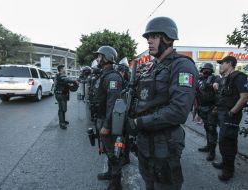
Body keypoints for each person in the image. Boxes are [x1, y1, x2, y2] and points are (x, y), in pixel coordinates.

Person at [128, 17, 199, 190]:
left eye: (154, 36)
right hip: (145, 142)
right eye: (147, 38)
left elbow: (179, 111)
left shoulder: (182, 66)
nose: (149, 41)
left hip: (165, 145)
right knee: (149, 184)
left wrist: (139, 122)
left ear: (167, 38)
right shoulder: (151, 67)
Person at [212, 56, 248, 181]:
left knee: (228, 142)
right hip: (223, 114)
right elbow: (224, 96)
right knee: (223, 141)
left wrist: (232, 112)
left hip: (230, 116)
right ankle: (225, 163)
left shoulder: (239, 77)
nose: (220, 65)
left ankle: (228, 170)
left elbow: (244, 97)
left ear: (230, 64)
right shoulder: (226, 79)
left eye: (222, 63)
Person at [93, 46, 124, 190]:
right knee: (107, 149)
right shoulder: (104, 75)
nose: (97, 59)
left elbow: (113, 104)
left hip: (109, 122)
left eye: (99, 56)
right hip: (101, 118)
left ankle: (116, 184)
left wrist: (106, 125)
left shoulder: (113, 77)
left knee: (114, 154)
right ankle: (110, 174)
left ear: (107, 57)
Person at [196, 62, 219, 161]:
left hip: (211, 108)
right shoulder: (200, 80)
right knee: (207, 128)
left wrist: (216, 84)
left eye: (207, 69)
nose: (206, 71)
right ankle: (208, 146)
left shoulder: (215, 78)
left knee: (211, 129)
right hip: (202, 108)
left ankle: (212, 152)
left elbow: (217, 84)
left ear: (211, 71)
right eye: (204, 69)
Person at [54, 65, 79, 129]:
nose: (65, 69)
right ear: (61, 70)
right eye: (64, 69)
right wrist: (74, 81)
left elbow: (66, 82)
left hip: (63, 94)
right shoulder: (59, 76)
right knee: (62, 109)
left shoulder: (61, 76)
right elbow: (66, 79)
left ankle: (63, 121)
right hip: (60, 95)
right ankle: (62, 123)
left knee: (63, 109)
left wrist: (71, 84)